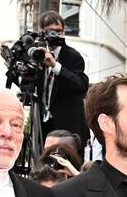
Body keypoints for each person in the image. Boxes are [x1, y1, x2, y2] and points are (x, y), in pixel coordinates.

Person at [37, 10, 90, 146]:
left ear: (63, 32)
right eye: (50, 31)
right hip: (42, 124)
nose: (55, 35)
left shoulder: (73, 56)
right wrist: (9, 61)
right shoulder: (38, 54)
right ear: (42, 32)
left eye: (58, 31)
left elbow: (81, 86)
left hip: (67, 128)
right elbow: (27, 83)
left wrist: (55, 65)